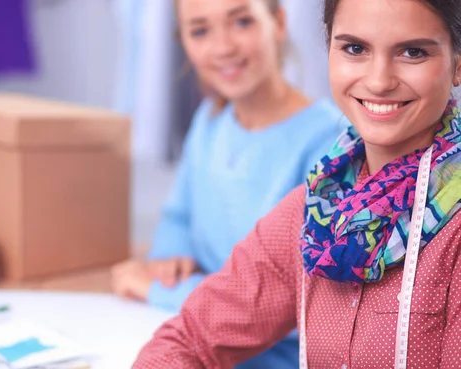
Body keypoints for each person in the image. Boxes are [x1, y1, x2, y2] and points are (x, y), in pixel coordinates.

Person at [132, 0, 461, 367]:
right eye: (355, 48)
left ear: (457, 64)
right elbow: (189, 339)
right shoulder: (317, 208)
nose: (379, 81)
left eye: (413, 52)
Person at [111, 0, 344, 367]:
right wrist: (171, 255)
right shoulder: (209, 121)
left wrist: (160, 290)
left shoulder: (329, 144)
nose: (223, 48)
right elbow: (178, 216)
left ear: (278, 23)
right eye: (200, 30)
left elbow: (300, 304)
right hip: (196, 333)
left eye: (242, 22)